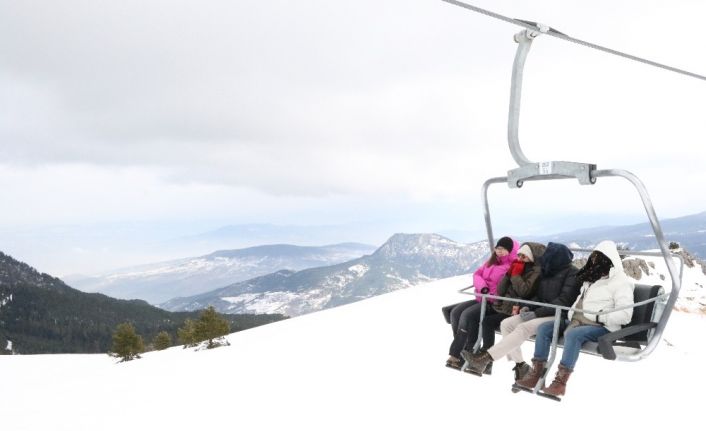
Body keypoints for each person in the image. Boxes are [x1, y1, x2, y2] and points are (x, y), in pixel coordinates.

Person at [515, 240, 634, 398]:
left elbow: (625, 315)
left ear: (609, 261)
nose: (594, 264)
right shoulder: (592, 279)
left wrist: (598, 316)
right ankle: (536, 374)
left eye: (598, 260)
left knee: (573, 335)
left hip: (600, 325)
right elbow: (579, 300)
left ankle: (560, 382)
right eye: (593, 260)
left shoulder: (620, 282)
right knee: (544, 329)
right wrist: (571, 313)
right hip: (576, 320)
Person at [465, 242, 579, 382]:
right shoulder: (548, 270)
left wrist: (537, 313)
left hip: (557, 315)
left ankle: (485, 358)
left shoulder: (572, 273)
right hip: (541, 311)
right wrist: (528, 307)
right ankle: (520, 365)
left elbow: (564, 301)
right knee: (506, 324)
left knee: (523, 328)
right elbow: (539, 296)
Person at [459, 242, 545, 374]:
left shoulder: (535, 272)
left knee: (499, 324)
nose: (520, 259)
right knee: (485, 321)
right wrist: (508, 275)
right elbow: (501, 289)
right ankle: (485, 359)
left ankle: (487, 360)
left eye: (524, 256)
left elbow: (524, 292)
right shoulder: (518, 267)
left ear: (532, 257)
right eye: (519, 255)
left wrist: (515, 275)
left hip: (519, 307)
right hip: (505, 305)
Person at [444, 236, 518, 370]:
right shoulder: (492, 261)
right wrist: (483, 287)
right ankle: (464, 352)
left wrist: (490, 294)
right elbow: (477, 275)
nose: (499, 251)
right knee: (455, 313)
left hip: (492, 302)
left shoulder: (512, 266)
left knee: (467, 316)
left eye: (503, 249)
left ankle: (457, 355)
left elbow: (505, 287)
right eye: (498, 248)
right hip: (481, 297)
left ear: (510, 251)